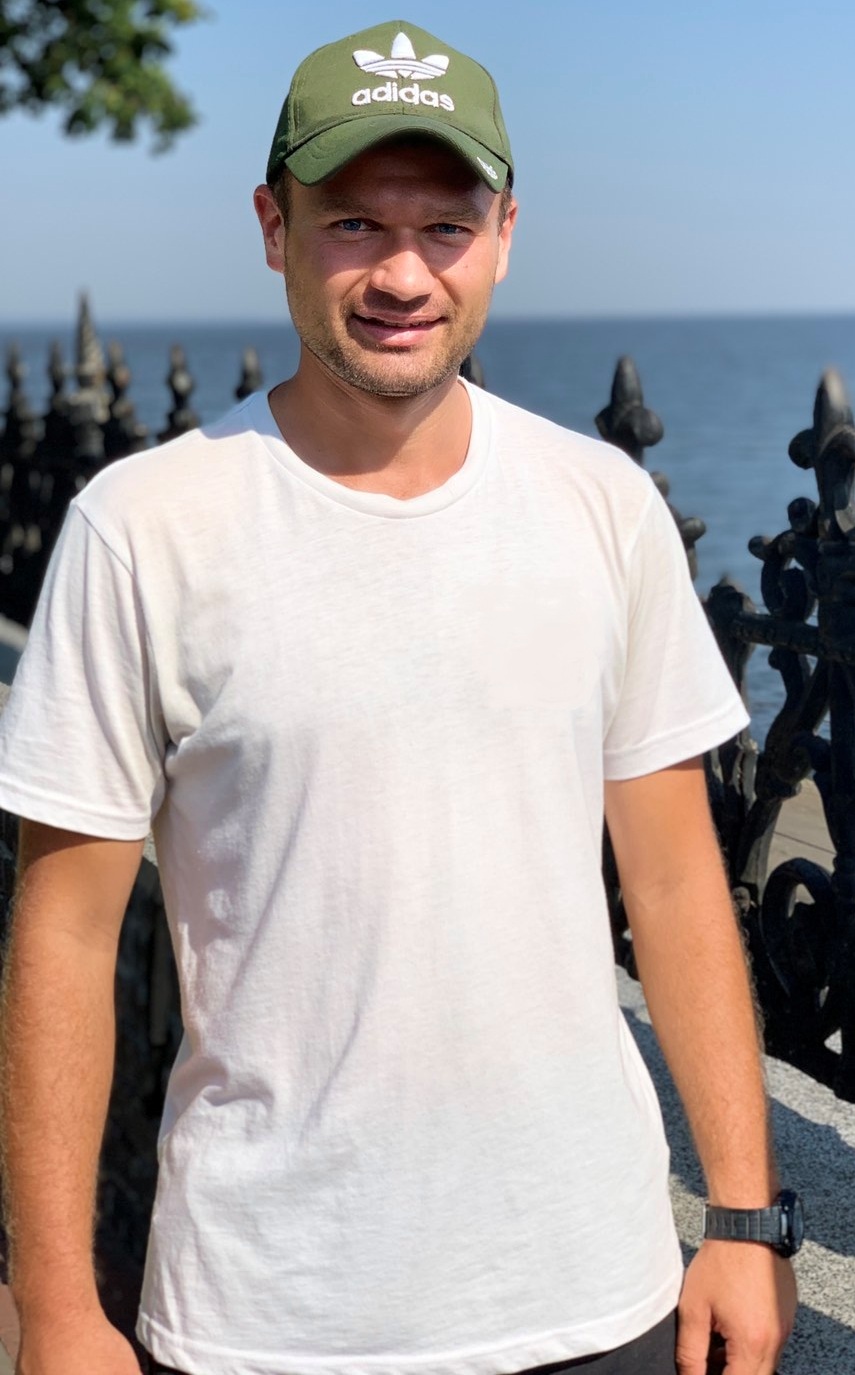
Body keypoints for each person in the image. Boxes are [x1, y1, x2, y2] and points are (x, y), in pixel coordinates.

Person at [0, 19, 799, 1375]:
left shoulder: (601, 505)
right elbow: (64, 934)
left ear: (505, 236)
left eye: (446, 225)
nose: (404, 272)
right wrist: (59, 1310)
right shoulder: (144, 527)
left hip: (596, 1291)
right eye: (355, 223)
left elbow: (673, 881)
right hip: (267, 1315)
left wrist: (742, 1217)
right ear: (275, 228)